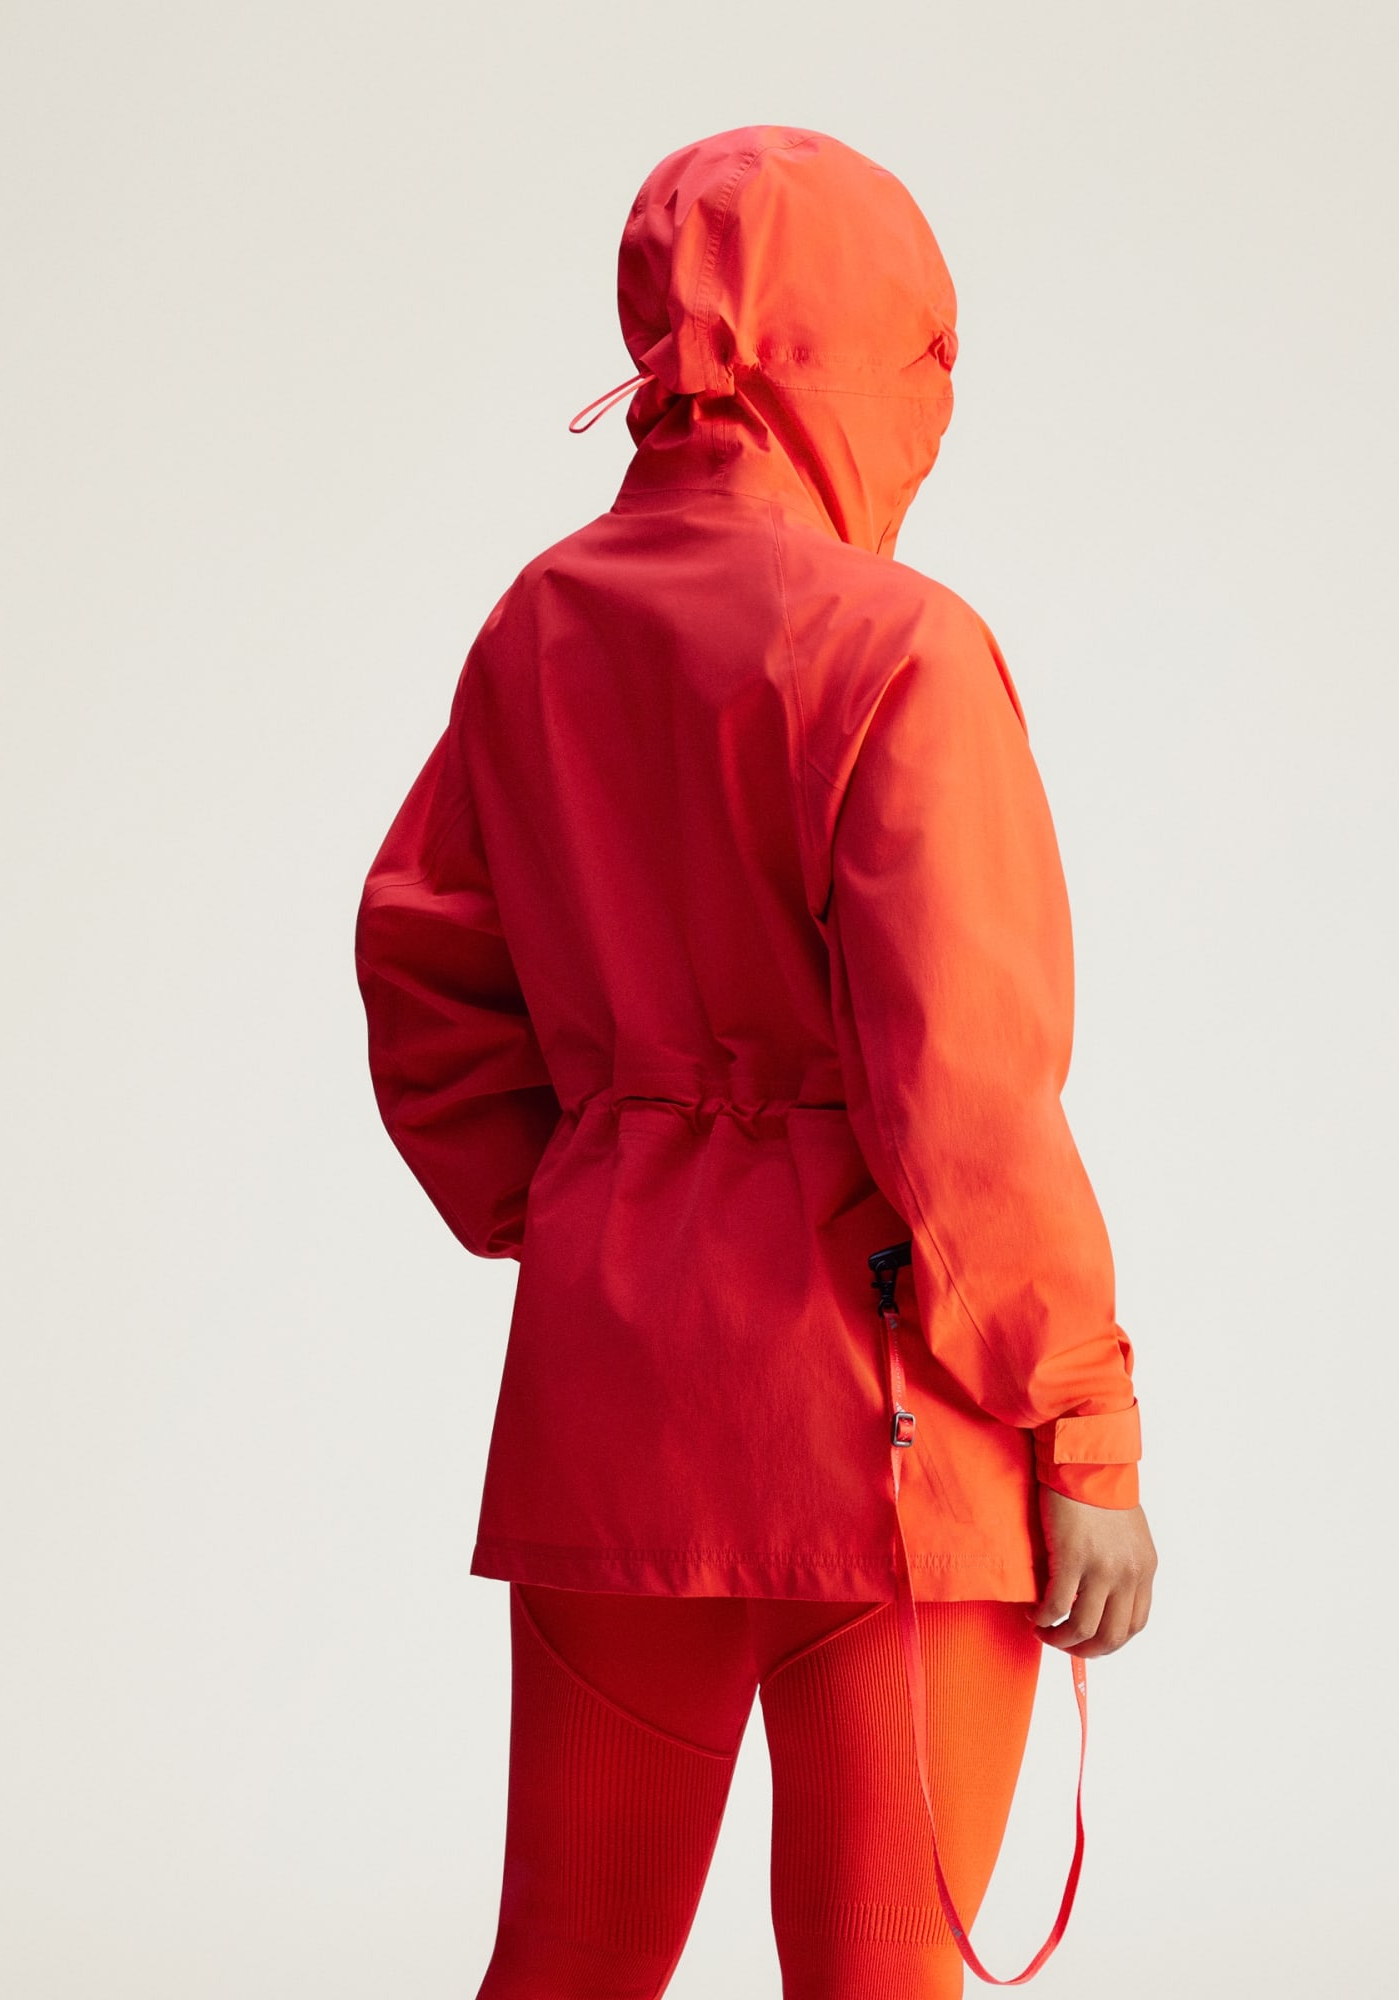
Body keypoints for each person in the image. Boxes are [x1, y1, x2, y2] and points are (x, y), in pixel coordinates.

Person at [355, 124, 1157, 2000]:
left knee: (566, 1962)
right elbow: (965, 1095)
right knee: (880, 1973)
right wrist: (1087, 1430)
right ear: (865, 357)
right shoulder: (902, 648)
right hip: (889, 1429)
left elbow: (421, 965)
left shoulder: (536, 624)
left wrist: (598, 1201)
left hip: (610, 1392)